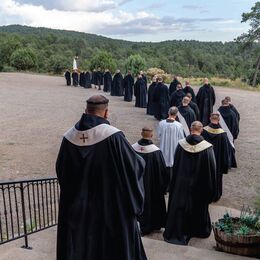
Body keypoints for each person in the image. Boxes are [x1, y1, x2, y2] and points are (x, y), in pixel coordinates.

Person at [56, 95, 147, 260]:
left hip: (77, 208)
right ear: (106, 113)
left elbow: (62, 172)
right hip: (109, 208)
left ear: (86, 111)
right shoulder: (114, 137)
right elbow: (134, 168)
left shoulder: (69, 137)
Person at [163, 121, 217, 245]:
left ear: (190, 129)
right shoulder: (207, 148)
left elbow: (175, 166)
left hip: (181, 183)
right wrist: (211, 189)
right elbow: (211, 170)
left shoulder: (181, 145)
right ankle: (196, 230)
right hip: (199, 185)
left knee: (180, 207)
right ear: (201, 130)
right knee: (197, 206)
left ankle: (178, 230)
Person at [132, 127, 168, 236]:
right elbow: (162, 171)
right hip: (152, 186)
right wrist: (163, 186)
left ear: (141, 133)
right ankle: (152, 225)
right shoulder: (156, 152)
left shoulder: (133, 148)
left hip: (136, 184)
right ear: (152, 135)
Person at [202, 113, 236, 201]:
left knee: (205, 177)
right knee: (217, 178)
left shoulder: (204, 131)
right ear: (219, 120)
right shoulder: (223, 134)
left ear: (210, 119)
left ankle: (205, 194)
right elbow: (226, 151)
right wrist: (226, 164)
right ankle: (215, 195)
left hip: (206, 159)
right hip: (218, 161)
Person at [157, 107, 185, 186]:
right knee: (172, 165)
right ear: (176, 115)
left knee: (164, 164)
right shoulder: (179, 125)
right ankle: (171, 184)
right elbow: (181, 138)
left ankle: (163, 183)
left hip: (163, 145)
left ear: (168, 113)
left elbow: (159, 136)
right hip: (174, 147)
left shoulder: (161, 123)